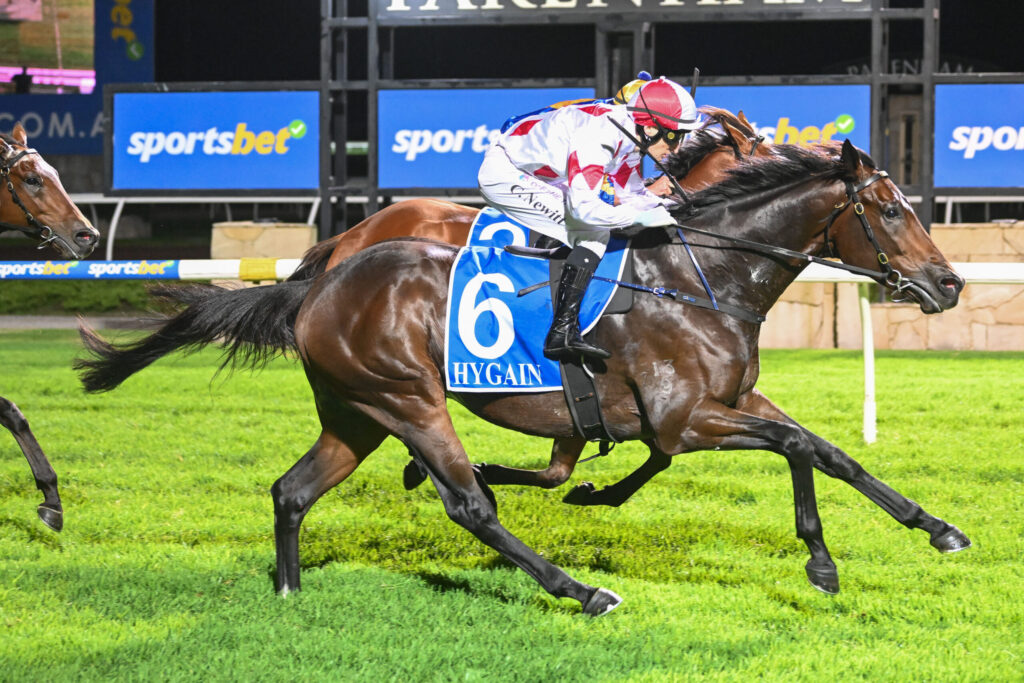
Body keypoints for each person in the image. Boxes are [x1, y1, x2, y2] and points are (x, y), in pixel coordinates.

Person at [478, 76, 700, 362]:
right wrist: (642, 217)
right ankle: (561, 332)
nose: (677, 147)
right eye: (673, 136)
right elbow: (585, 210)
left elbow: (632, 193)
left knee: (598, 225)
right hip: (504, 173)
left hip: (541, 174)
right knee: (593, 232)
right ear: (649, 127)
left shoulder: (630, 135)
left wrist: (671, 208)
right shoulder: (598, 135)